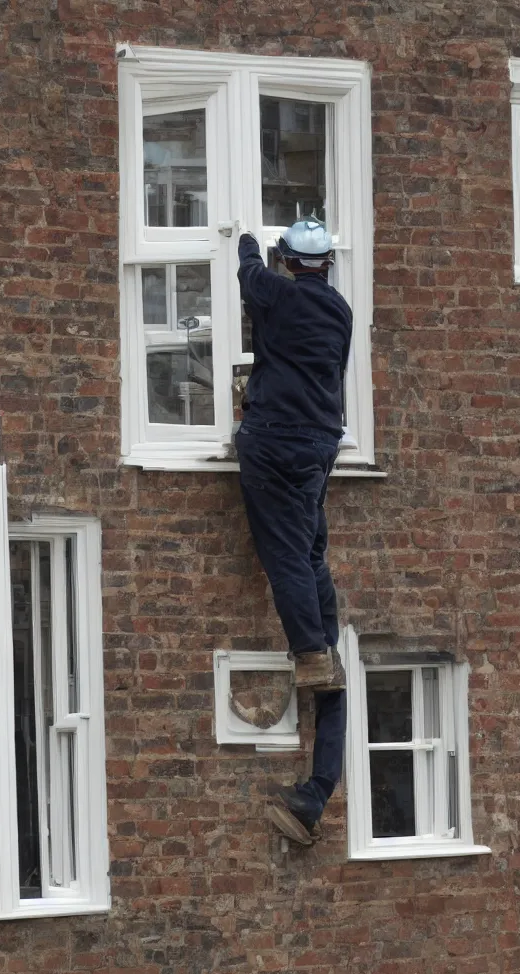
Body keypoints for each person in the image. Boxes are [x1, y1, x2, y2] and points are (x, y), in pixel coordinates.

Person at [235, 218, 352, 847]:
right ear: (329, 262)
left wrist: (247, 241)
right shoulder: (340, 310)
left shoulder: (275, 291)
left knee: (284, 556)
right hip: (318, 448)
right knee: (308, 560)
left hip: (275, 441)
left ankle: (309, 649)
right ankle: (316, 790)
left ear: (289, 260)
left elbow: (248, 273)